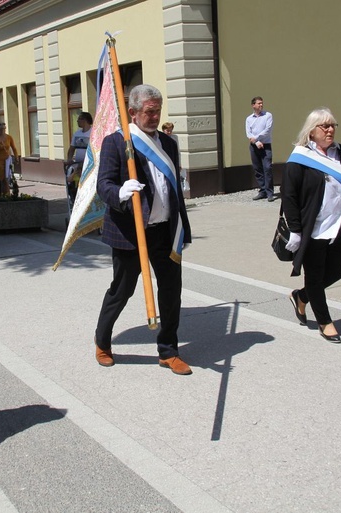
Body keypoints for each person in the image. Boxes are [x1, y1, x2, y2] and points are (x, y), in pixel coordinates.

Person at [94, 84, 192, 375]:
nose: (155, 117)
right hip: (130, 230)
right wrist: (121, 193)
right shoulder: (117, 142)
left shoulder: (169, 143)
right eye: (149, 112)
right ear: (133, 112)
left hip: (164, 230)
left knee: (172, 291)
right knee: (122, 290)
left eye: (158, 111)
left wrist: (183, 228)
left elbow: (174, 190)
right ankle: (102, 341)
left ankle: (168, 350)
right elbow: (104, 184)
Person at [282, 108, 341, 344]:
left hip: (337, 227)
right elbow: (289, 196)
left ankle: (301, 296)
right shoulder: (300, 159)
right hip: (312, 230)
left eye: (332, 125)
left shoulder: (339, 153)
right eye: (324, 126)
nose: (330, 130)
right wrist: (295, 230)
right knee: (315, 277)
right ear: (311, 131)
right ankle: (325, 322)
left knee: (337, 271)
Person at [245, 96, 275, 202]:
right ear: (253, 105)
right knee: (257, 169)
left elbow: (268, 129)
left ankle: (270, 192)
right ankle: (263, 190)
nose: (261, 105)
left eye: (262, 103)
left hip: (265, 145)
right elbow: (249, 133)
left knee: (267, 168)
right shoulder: (249, 119)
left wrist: (257, 138)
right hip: (254, 146)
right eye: (258, 103)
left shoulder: (268, 115)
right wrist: (256, 142)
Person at [0, 122, 19, 196]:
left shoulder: (9, 137)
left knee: (7, 178)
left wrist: (16, 157)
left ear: (5, 128)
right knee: (3, 178)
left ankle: (5, 194)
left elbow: (14, 148)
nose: (2, 129)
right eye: (1, 128)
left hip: (7, 159)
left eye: (3, 128)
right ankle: (6, 195)